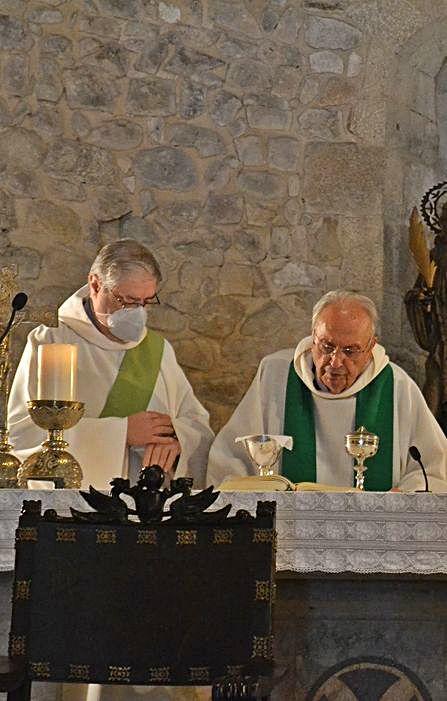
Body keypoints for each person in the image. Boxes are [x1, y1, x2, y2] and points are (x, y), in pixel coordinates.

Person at [9, 239, 214, 489]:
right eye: (126, 300)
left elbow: (198, 428)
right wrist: (121, 433)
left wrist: (177, 440)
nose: (137, 311)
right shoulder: (51, 340)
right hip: (77, 506)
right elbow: (24, 434)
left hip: (151, 507)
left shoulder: (158, 350)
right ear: (95, 284)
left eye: (146, 301)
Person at [207, 290, 447, 492]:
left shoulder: (397, 386)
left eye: (350, 351)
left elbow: (433, 468)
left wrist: (402, 497)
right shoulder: (275, 375)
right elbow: (231, 459)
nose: (335, 362)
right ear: (313, 337)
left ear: (371, 346)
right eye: (327, 346)